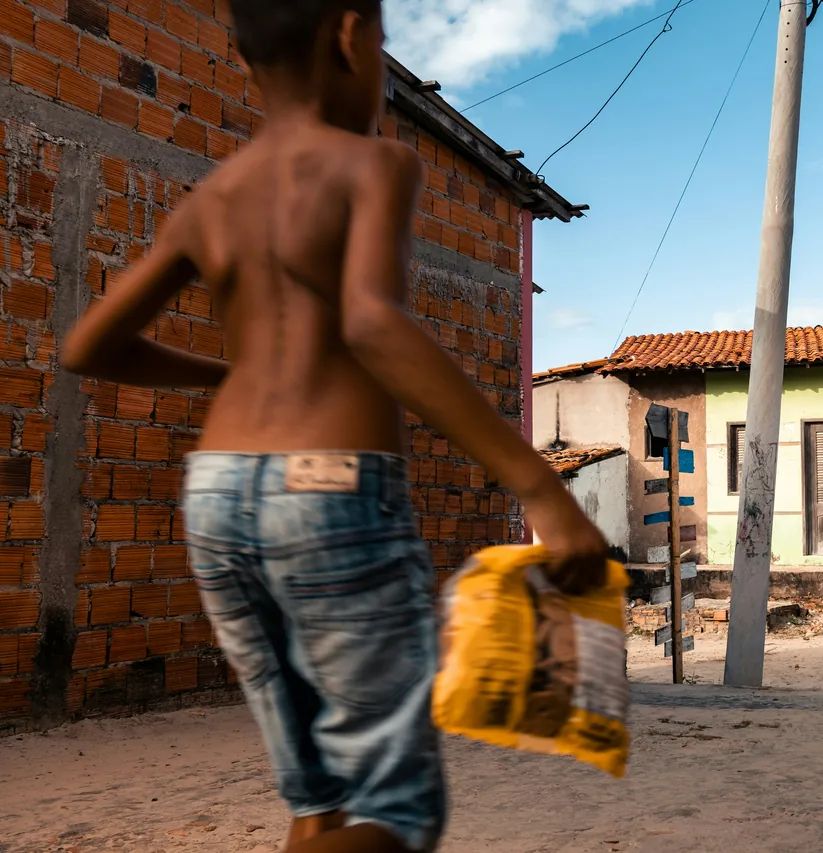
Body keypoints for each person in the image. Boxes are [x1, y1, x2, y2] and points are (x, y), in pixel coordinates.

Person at [58, 2, 607, 851]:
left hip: (217, 496)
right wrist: (537, 483)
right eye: (384, 45)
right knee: (394, 807)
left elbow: (90, 345)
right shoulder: (370, 164)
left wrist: (226, 374)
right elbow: (369, 323)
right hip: (328, 489)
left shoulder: (213, 200)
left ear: (245, 61)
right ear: (349, 35)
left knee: (318, 798)